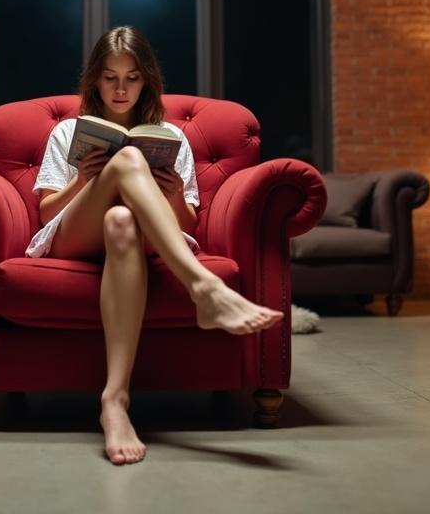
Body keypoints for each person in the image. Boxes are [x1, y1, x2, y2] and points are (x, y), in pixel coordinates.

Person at [28, 25, 283, 466]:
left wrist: (170, 191)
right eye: (110, 77)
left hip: (139, 236)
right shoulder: (69, 132)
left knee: (123, 220)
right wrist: (83, 180)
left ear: (146, 79)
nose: (120, 88)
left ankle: (115, 400)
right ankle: (202, 286)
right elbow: (47, 213)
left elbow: (187, 221)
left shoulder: (169, 136)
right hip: (75, 234)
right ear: (94, 80)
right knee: (126, 160)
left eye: (131, 77)